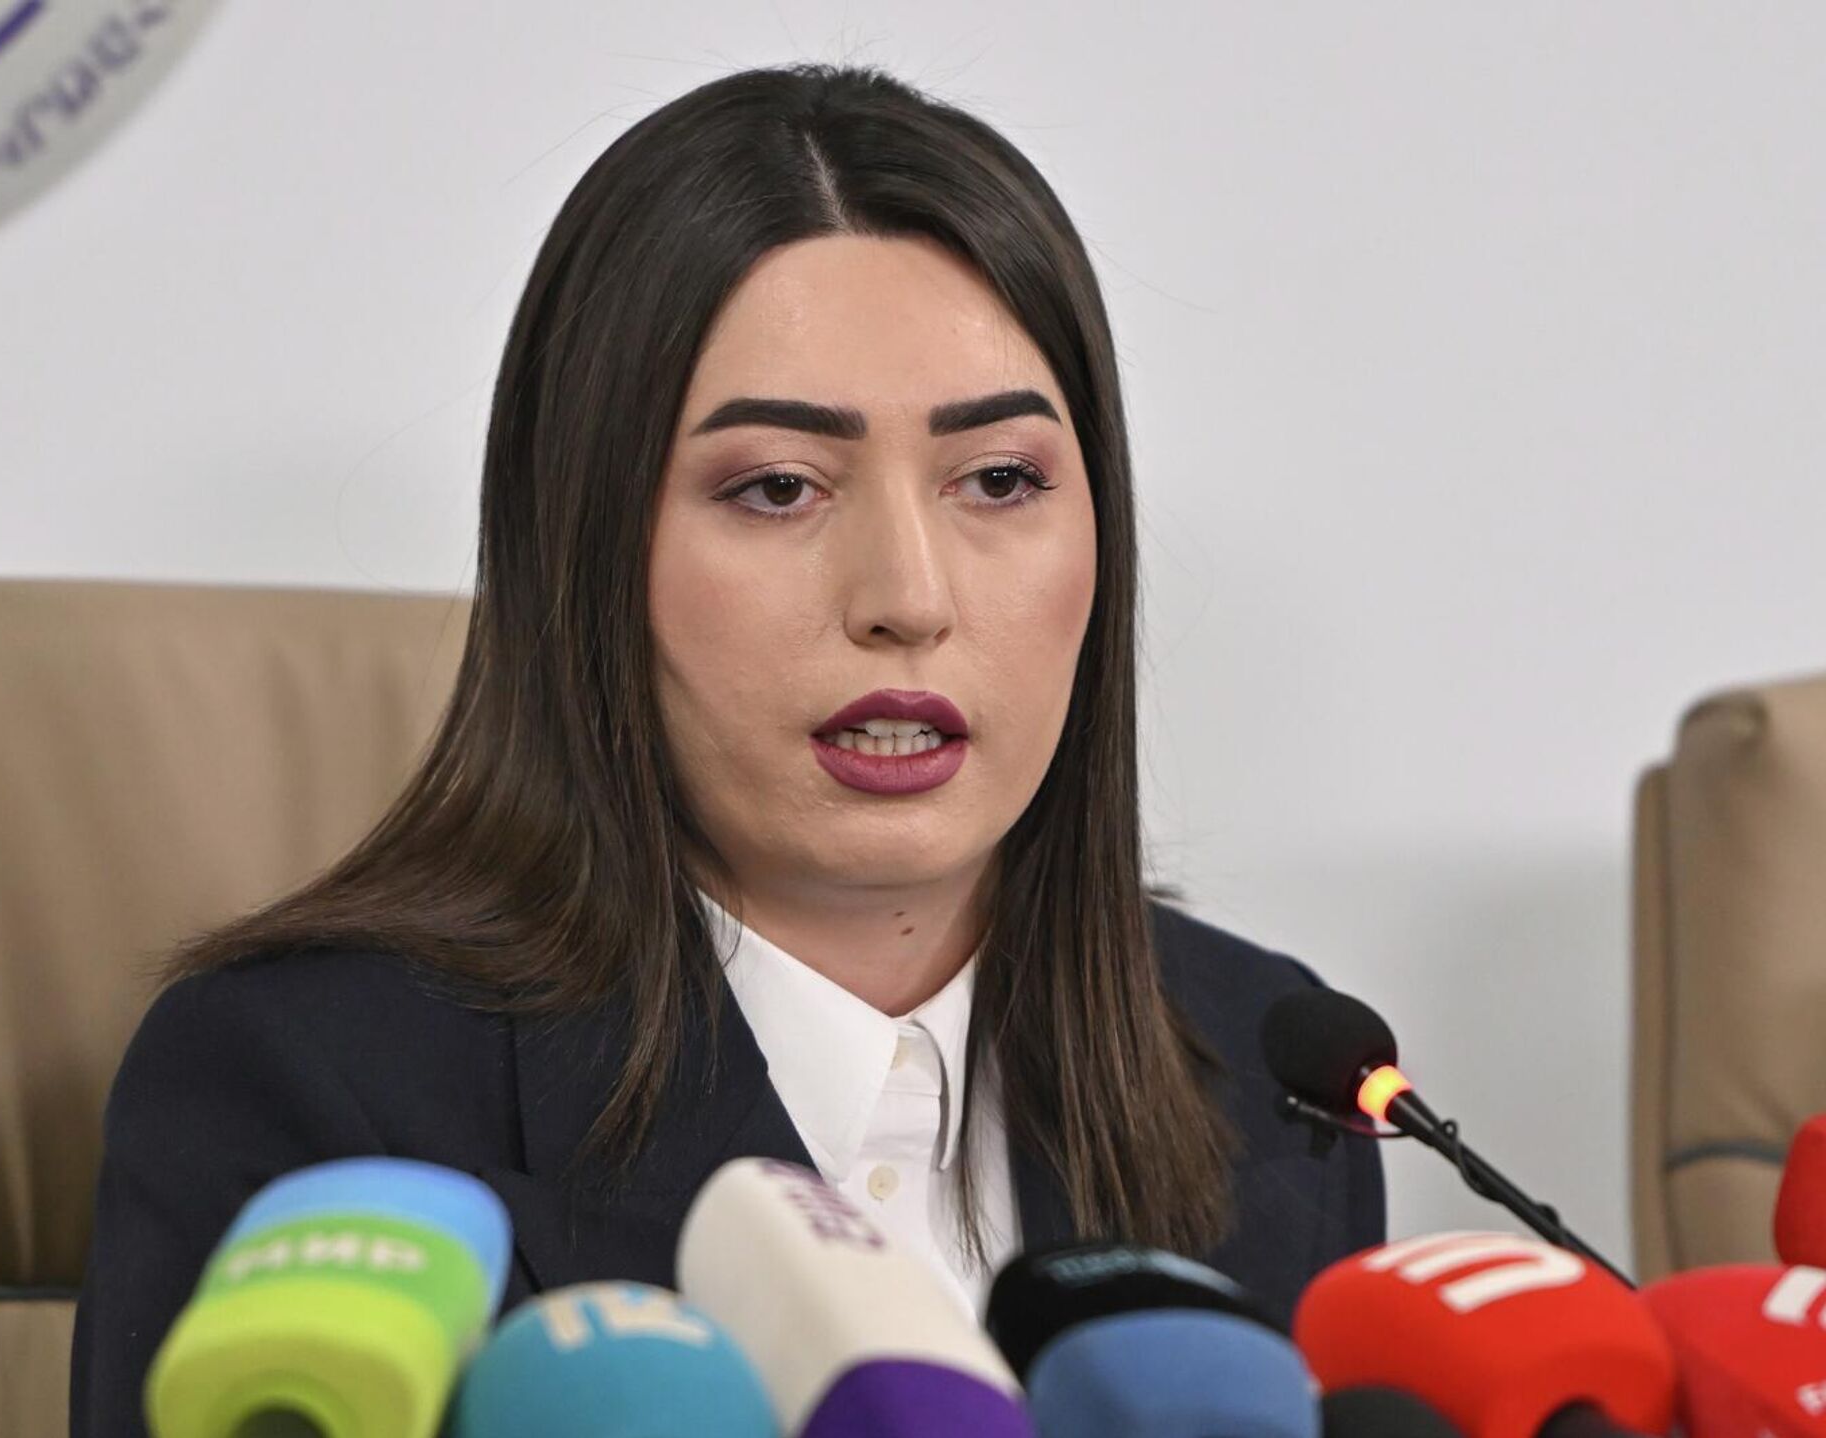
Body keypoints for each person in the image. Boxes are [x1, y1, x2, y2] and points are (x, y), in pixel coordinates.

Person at [68, 61, 1383, 1437]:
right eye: (777, 488)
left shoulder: (1268, 1078)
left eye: (1000, 480)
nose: (908, 596)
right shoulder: (310, 1090)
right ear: (586, 551)